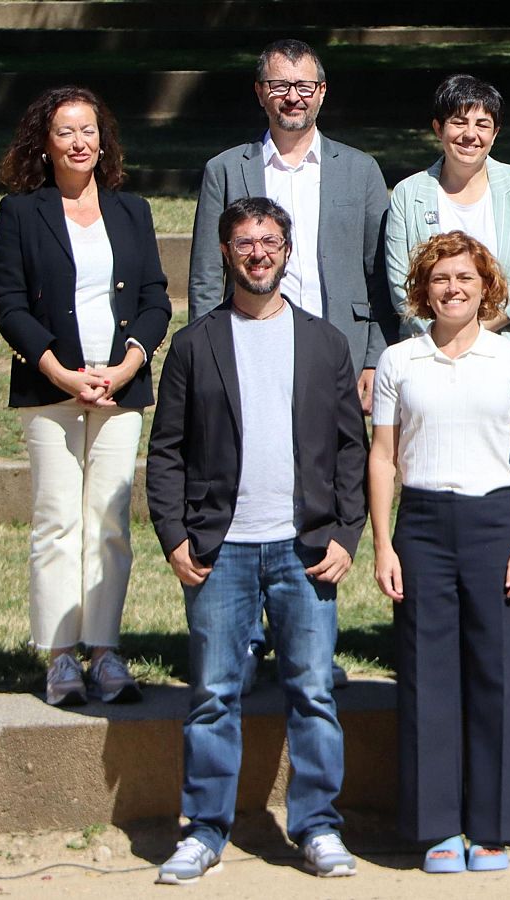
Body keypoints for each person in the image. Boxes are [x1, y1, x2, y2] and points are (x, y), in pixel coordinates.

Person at [147, 197, 367, 884]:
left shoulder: (325, 341)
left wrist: (347, 534)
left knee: (312, 693)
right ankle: (205, 830)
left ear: (287, 249)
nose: (257, 253)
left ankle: (318, 826)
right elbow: (166, 453)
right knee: (213, 694)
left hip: (304, 550)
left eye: (269, 240)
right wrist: (174, 537)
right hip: (221, 551)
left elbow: (350, 450)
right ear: (224, 252)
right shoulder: (194, 345)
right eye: (244, 242)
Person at [188, 37, 391, 691]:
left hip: (330, 358)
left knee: (321, 494)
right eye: (280, 85)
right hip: (243, 352)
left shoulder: (359, 170)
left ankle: (306, 640)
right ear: (260, 93)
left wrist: (370, 359)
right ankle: (243, 640)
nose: (293, 96)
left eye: (305, 85)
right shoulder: (227, 168)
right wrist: (201, 364)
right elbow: (201, 278)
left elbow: (378, 277)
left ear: (323, 92)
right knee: (245, 483)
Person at [0, 85, 171, 707]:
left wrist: (124, 368)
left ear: (103, 138)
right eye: (65, 131)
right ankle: (61, 657)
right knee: (57, 521)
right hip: (51, 389)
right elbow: (8, 304)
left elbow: (155, 299)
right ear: (45, 141)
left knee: (109, 523)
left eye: (88, 130)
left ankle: (105, 652)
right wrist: (61, 372)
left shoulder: (133, 211)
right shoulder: (21, 212)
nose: (78, 142)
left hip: (120, 387)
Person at [368, 231, 510, 873]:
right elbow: (383, 457)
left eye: (465, 277)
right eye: (441, 279)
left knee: (495, 672)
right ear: (424, 288)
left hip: (495, 520)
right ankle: (438, 826)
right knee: (427, 673)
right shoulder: (399, 362)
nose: (453, 289)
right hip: (422, 526)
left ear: (485, 285)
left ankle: (490, 827)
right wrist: (384, 543)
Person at [384, 74, 510, 683]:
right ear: (438, 129)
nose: (470, 133)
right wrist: (450, 337)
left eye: (483, 123)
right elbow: (401, 285)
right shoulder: (409, 194)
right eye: (459, 122)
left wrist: (482, 332)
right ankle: (445, 628)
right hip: (435, 364)